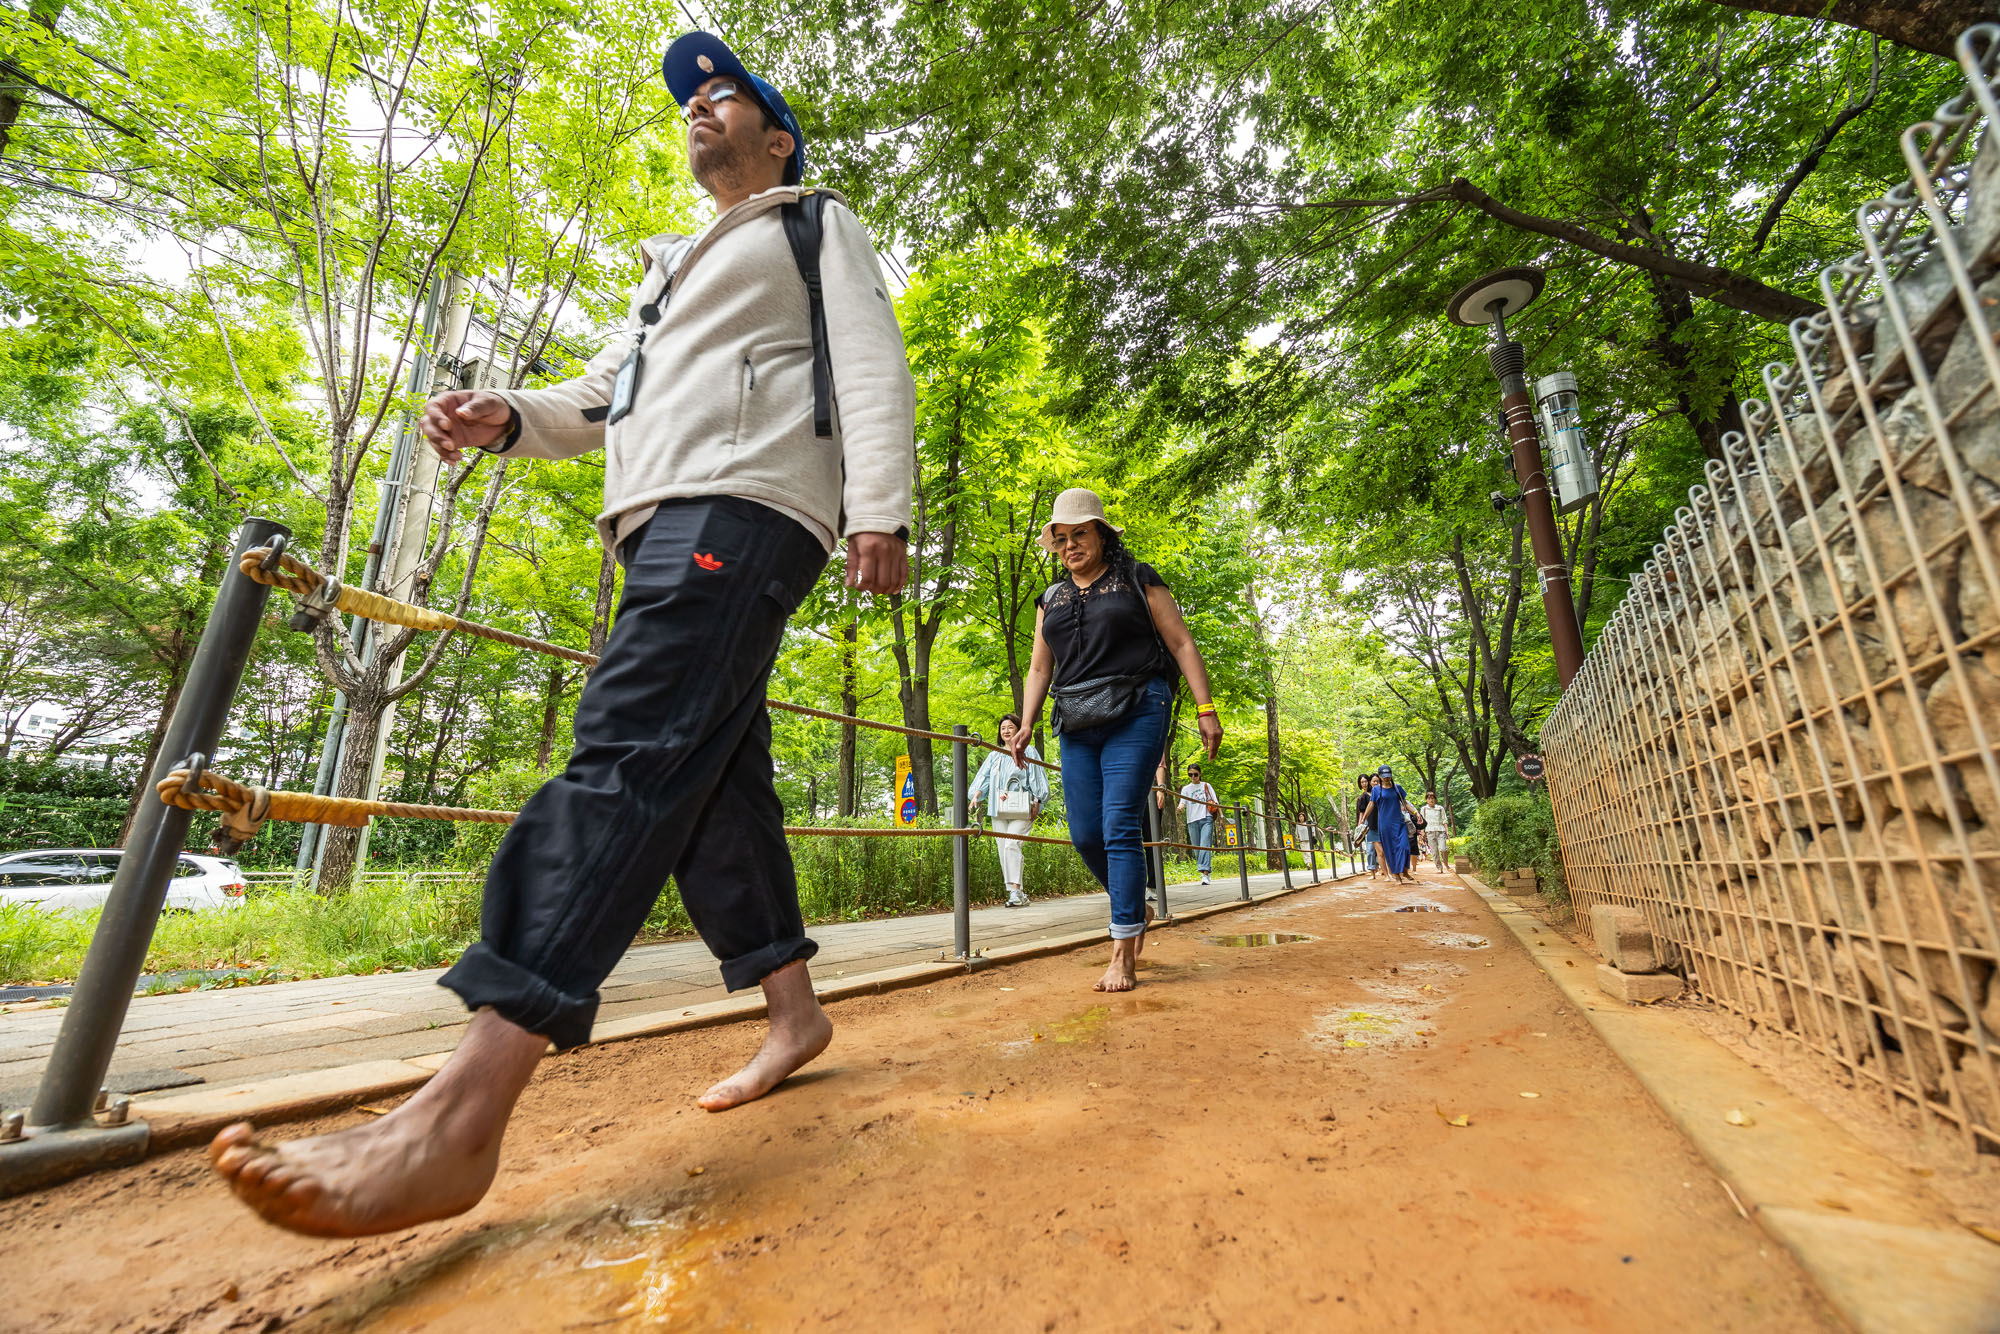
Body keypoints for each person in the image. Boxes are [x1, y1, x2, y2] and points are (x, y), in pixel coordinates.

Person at [209, 32, 916, 1238]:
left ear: (778, 139)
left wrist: (880, 511)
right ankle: (793, 1011)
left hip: (747, 503)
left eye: (725, 94)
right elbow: (603, 396)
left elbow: (869, 359)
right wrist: (507, 415)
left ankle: (458, 1114)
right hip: (656, 520)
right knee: (715, 780)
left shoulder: (812, 222)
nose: (700, 105)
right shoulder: (664, 269)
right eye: (690, 98)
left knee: (629, 749)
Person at [1011, 488, 1222, 993]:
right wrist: (1026, 723)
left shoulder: (1137, 578)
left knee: (1119, 825)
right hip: (1076, 719)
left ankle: (1122, 951)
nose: (1070, 545)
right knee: (1085, 833)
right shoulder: (1050, 599)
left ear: (1102, 534)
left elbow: (1180, 642)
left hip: (1138, 706)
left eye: (1080, 533)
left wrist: (1205, 708)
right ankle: (1135, 905)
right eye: (1061, 538)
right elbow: (1040, 667)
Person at [970, 714, 1048, 907]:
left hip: (1023, 807)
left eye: (1010, 727)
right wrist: (977, 795)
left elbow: (1038, 777)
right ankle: (1016, 892)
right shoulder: (994, 755)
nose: (1006, 731)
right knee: (1003, 849)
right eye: (1003, 728)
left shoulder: (1029, 751)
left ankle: (1015, 892)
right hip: (999, 808)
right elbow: (984, 778)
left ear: (1019, 729)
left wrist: (1038, 800)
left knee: (1011, 845)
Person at [1365, 766, 1421, 884]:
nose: (1387, 778)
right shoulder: (1376, 790)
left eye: (1388, 776)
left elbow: (1405, 803)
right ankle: (1396, 876)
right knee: (1390, 850)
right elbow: (1371, 805)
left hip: (1399, 823)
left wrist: (1416, 813)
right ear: (1380, 777)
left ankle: (1404, 871)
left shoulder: (1397, 788)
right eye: (1384, 777)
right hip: (1385, 825)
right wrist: (1363, 819)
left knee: (1405, 847)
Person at [1179, 762, 1221, 886]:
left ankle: (1205, 874)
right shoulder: (1186, 789)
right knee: (1197, 848)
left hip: (1206, 818)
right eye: (1190, 775)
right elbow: (1183, 802)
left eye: (1195, 774)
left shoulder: (1206, 785)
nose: (1193, 777)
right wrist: (1180, 808)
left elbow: (1216, 802)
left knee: (1205, 845)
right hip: (1192, 820)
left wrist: (1222, 817)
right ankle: (1205, 870)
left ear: (1200, 774)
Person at [1420, 790, 1452, 872]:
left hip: (1441, 831)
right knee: (1434, 852)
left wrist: (1447, 831)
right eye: (1429, 798)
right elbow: (1422, 821)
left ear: (1435, 799)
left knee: (1443, 849)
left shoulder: (1440, 808)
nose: (1431, 800)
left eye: (1433, 798)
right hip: (1429, 832)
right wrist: (1422, 832)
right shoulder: (1424, 809)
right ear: (1426, 800)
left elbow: (1444, 820)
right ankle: (1439, 867)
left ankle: (1446, 863)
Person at [1354, 773, 1379, 876]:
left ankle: (1379, 866)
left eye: (1365, 781)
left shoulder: (1376, 793)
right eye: (1362, 782)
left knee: (1379, 846)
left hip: (1378, 821)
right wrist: (1360, 825)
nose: (1364, 784)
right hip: (1368, 822)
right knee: (1370, 847)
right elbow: (1361, 812)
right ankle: (1372, 869)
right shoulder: (1363, 797)